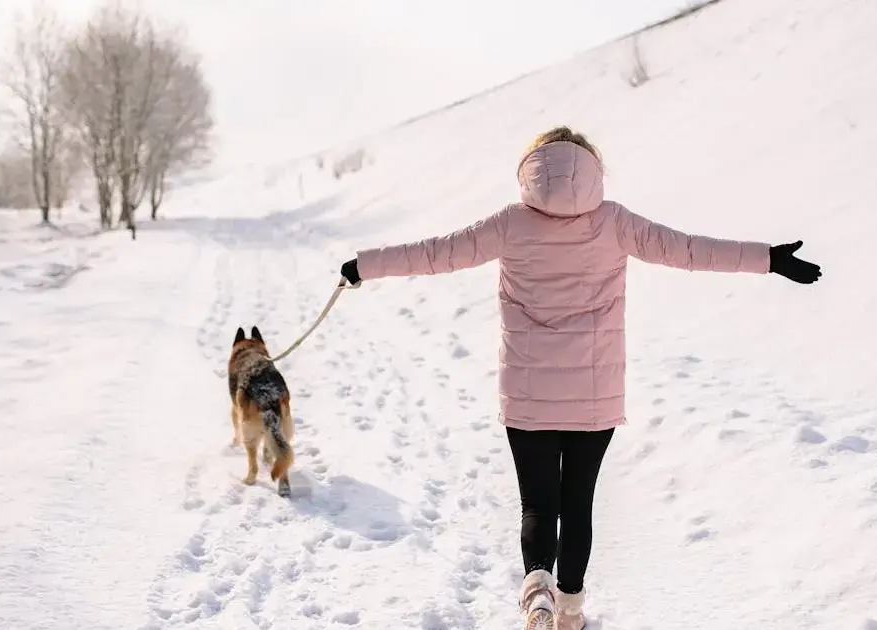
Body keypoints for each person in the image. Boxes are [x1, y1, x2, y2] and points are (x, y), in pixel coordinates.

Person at [338, 126, 821, 630]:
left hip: (528, 395)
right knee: (577, 504)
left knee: (537, 504)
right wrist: (768, 258)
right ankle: (569, 612)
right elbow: (690, 249)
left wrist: (363, 267)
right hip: (594, 395)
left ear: (533, 169)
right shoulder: (615, 222)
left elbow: (435, 253)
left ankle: (537, 590)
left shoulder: (509, 223)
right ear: (592, 169)